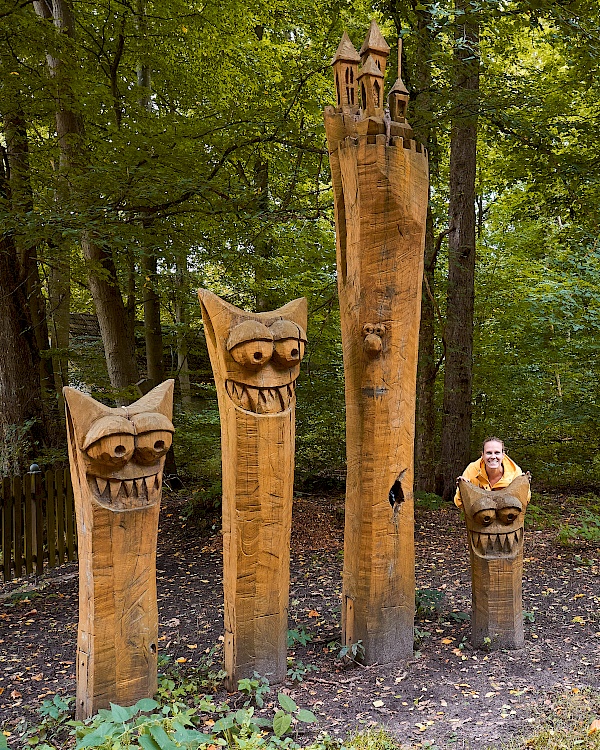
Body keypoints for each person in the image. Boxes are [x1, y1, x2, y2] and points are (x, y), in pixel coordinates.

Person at [454, 436, 530, 508]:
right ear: (482, 455)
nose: (493, 457)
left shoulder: (515, 472)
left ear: (503, 455)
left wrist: (523, 486)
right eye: (489, 453)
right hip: (479, 517)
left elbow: (524, 501)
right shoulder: (472, 469)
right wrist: (462, 489)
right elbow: (459, 503)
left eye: (497, 453)